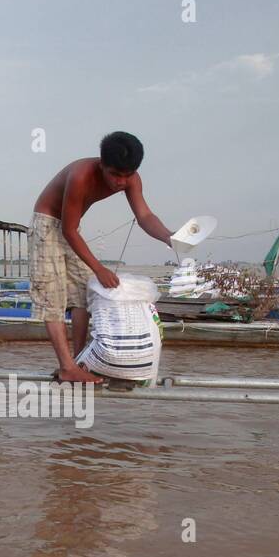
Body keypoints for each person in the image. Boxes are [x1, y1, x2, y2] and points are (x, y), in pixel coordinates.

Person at [29, 131, 174, 383]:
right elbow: (68, 230)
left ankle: (79, 361)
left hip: (71, 227)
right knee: (51, 296)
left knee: (84, 293)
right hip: (48, 224)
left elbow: (145, 216)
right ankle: (67, 368)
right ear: (102, 165)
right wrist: (99, 268)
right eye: (115, 174)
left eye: (127, 175)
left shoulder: (131, 179)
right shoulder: (81, 176)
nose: (120, 182)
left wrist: (170, 237)